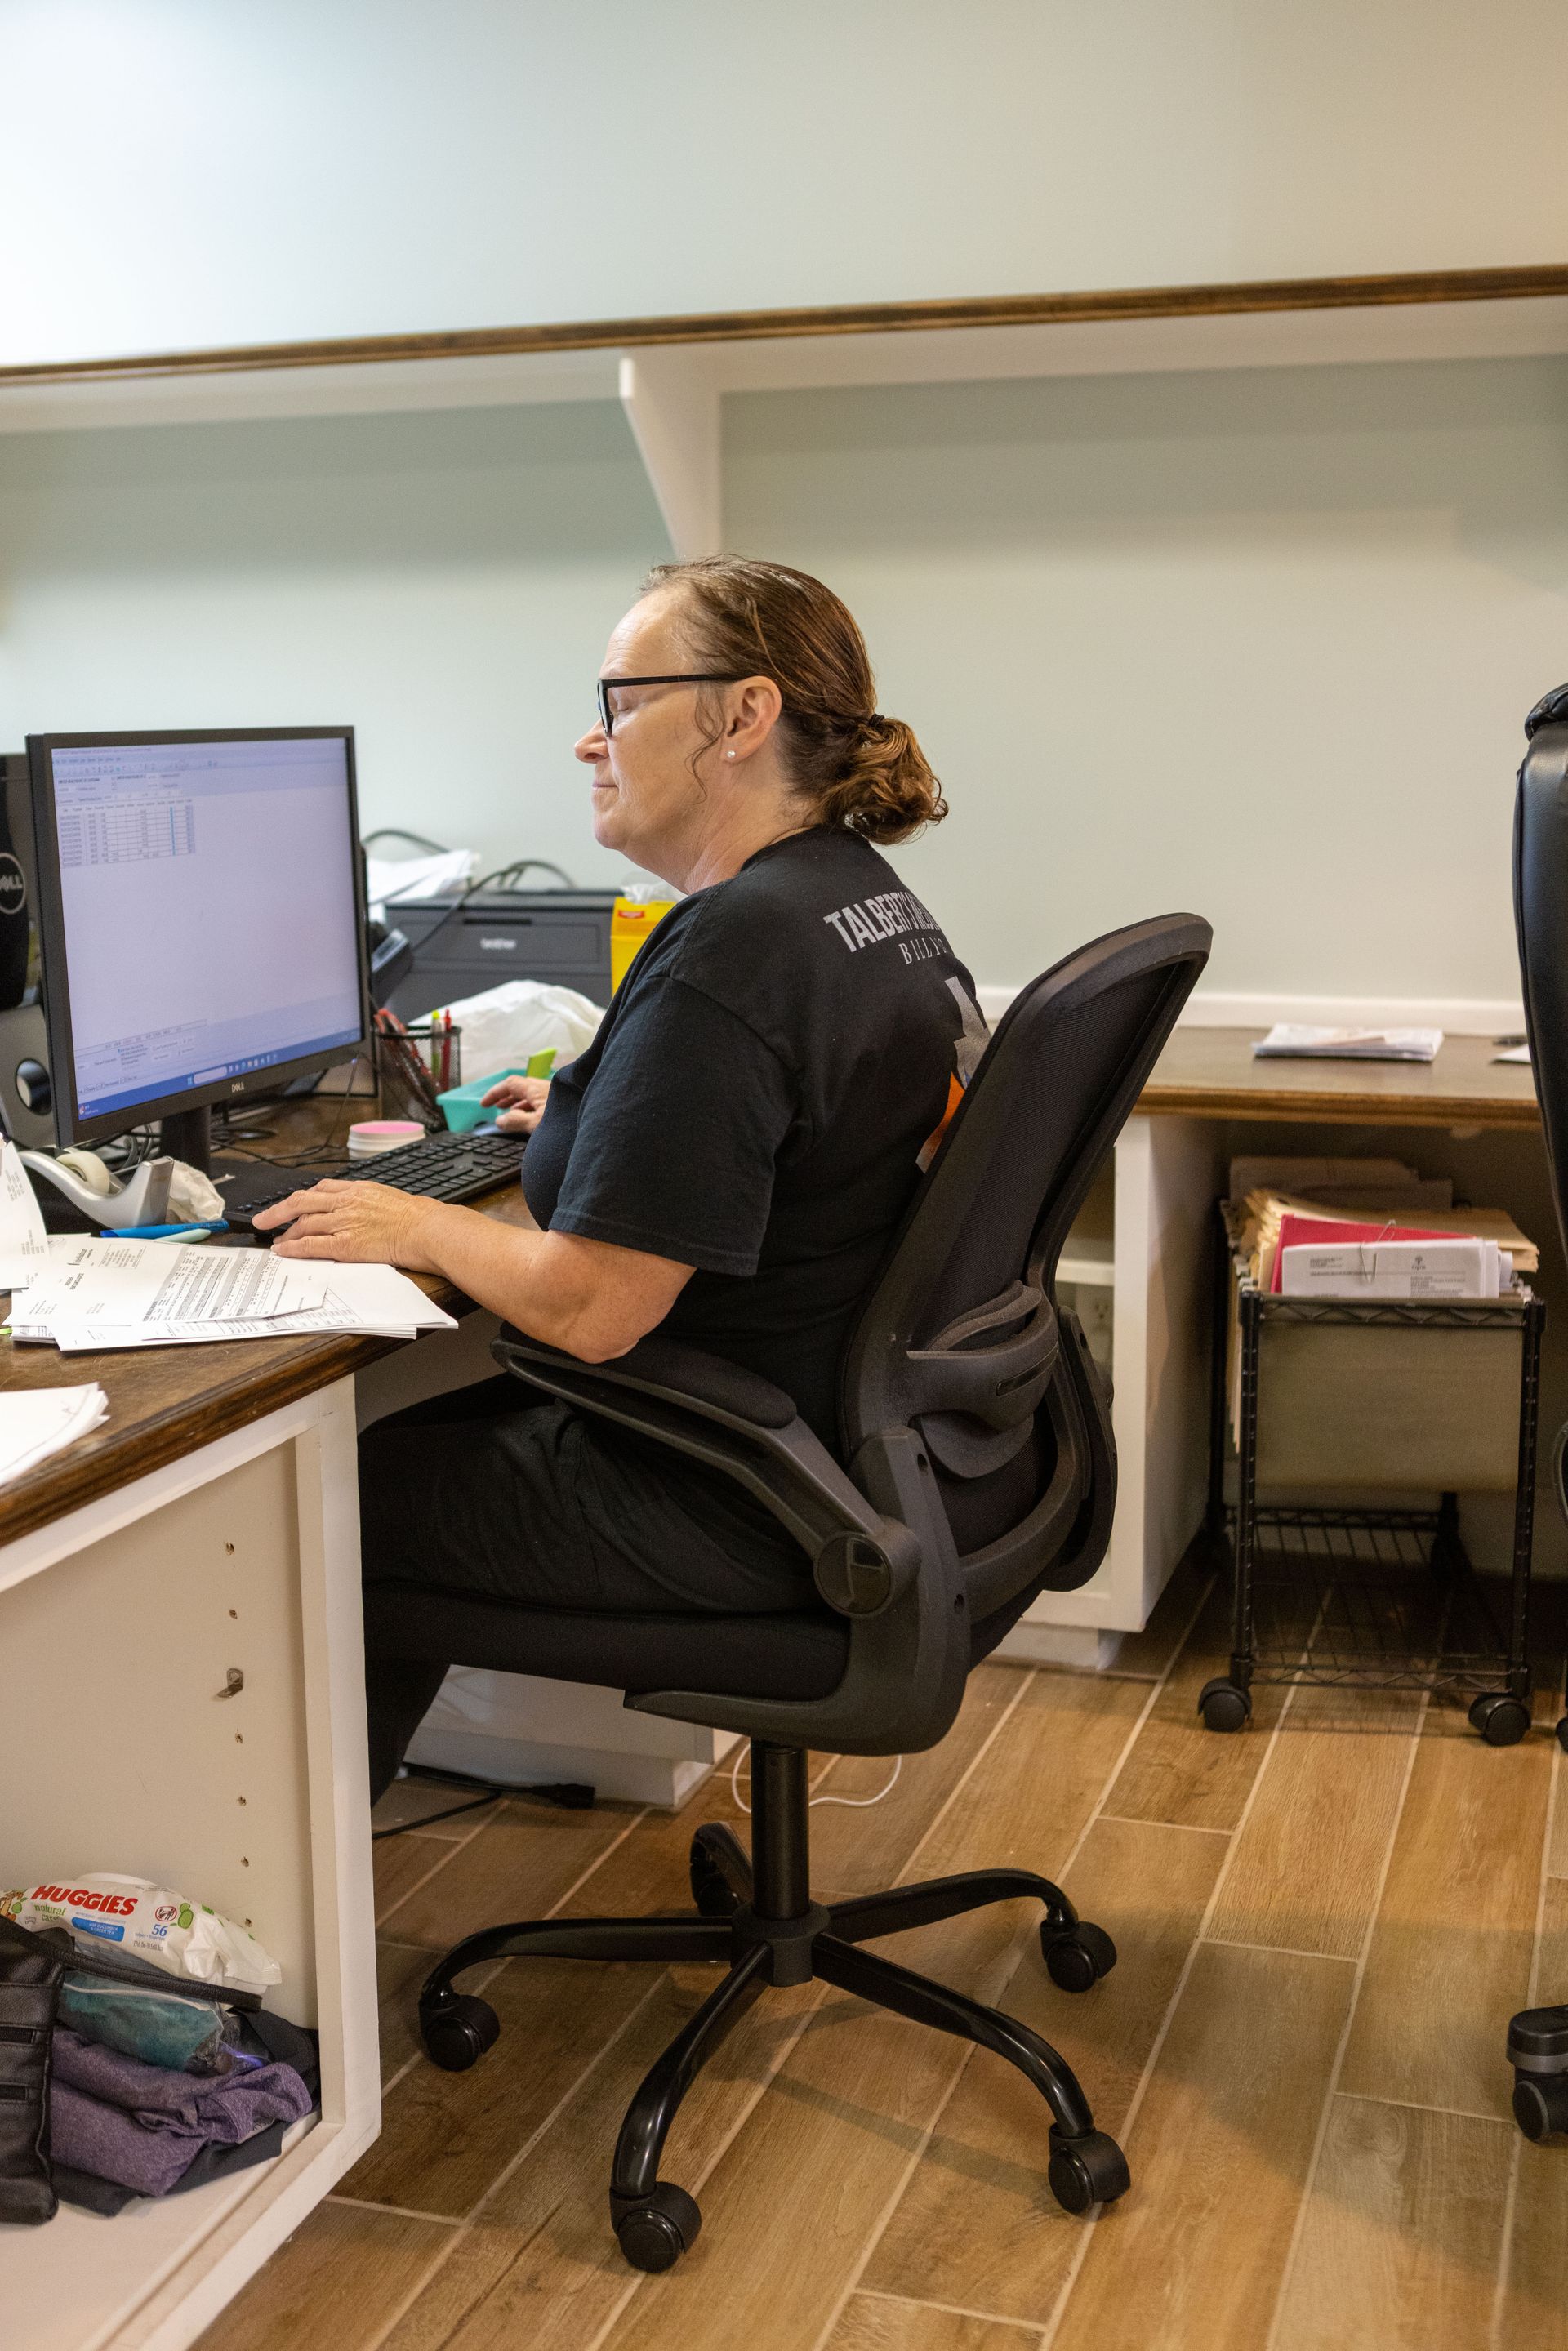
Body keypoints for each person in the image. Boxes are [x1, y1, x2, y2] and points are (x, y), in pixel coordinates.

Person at [256, 555, 985, 1798]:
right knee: (416, 1436)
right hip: (882, 1453)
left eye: (621, 703)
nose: (590, 741)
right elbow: (784, 1129)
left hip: (744, 1496)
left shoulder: (734, 951)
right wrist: (600, 1111)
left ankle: (301, 1931)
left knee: (334, 1500)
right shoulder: (854, 899)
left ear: (743, 717)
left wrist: (415, 1218)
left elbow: (598, 1308)